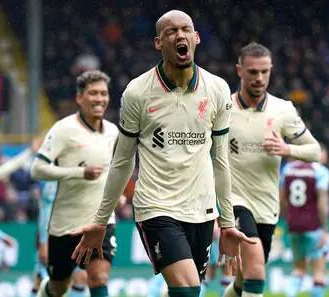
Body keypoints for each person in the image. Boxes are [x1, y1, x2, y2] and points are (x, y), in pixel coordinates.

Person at [72, 10, 252, 297]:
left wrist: (227, 222)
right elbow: (122, 161)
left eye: (186, 30)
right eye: (171, 31)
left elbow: (220, 160)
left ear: (196, 38)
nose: (180, 35)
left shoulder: (217, 89)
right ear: (159, 43)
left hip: (202, 209)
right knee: (188, 289)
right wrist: (101, 220)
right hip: (156, 206)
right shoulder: (138, 92)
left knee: (184, 290)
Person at [224, 42, 321, 297]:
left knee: (244, 281)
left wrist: (287, 149)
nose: (259, 78)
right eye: (253, 72)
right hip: (234, 200)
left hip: (267, 207)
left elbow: (315, 151)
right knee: (256, 271)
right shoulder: (222, 109)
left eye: (264, 72)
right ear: (239, 71)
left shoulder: (283, 110)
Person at [30, 70, 119, 297]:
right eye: (93, 93)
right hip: (65, 224)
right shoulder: (63, 129)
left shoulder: (113, 132)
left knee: (98, 277)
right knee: (59, 286)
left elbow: (115, 170)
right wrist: (78, 173)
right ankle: (46, 290)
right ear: (80, 98)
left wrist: (117, 193)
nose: (99, 98)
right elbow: (37, 169)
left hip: (101, 222)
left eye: (103, 93)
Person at [280, 145, 329, 297]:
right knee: (319, 272)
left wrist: (288, 217)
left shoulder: (288, 169)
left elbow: (281, 198)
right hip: (313, 226)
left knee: (299, 269)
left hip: (293, 225)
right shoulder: (320, 171)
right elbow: (322, 203)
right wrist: (325, 228)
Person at [30, 181, 88, 297]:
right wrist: (43, 242)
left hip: (77, 233)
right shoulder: (55, 177)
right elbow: (46, 208)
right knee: (49, 282)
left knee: (81, 278)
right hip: (54, 236)